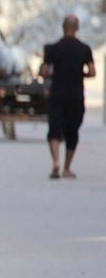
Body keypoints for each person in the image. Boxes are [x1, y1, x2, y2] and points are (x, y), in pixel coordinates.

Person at [41, 15, 95, 180]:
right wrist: (81, 74)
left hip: (57, 94)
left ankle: (55, 162)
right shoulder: (84, 49)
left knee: (54, 131)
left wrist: (53, 74)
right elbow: (92, 72)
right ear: (77, 28)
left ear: (62, 28)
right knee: (72, 131)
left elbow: (44, 71)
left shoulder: (53, 48)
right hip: (76, 96)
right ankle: (67, 168)